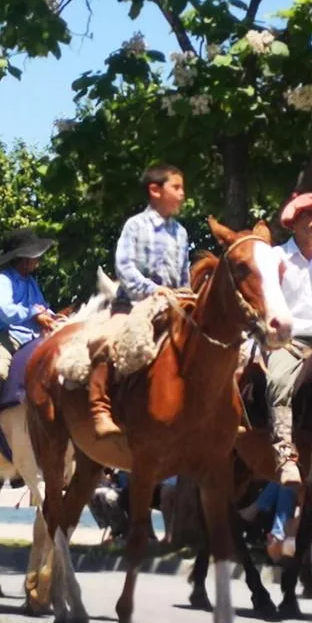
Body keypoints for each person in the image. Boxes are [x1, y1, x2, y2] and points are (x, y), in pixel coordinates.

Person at [89, 164, 191, 439]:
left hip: (172, 305)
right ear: (155, 190)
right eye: (177, 187)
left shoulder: (181, 233)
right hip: (132, 303)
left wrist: (186, 295)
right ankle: (100, 409)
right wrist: (152, 289)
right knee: (106, 343)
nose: (183, 194)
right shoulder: (135, 225)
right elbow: (124, 267)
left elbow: (184, 275)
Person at [266, 192, 312, 486]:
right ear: (293, 223)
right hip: (289, 340)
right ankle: (285, 455)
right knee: (279, 381)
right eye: (308, 215)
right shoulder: (277, 258)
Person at [0, 228, 60, 467]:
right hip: (5, 335)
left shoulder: (32, 282)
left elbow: (42, 307)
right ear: (23, 258)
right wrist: (34, 314)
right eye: (35, 255)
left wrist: (55, 318)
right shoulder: (4, 280)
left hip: (31, 336)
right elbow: (4, 310)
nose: (38, 260)